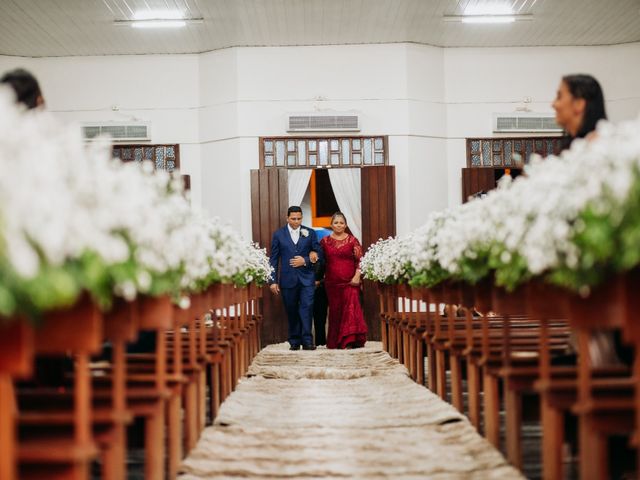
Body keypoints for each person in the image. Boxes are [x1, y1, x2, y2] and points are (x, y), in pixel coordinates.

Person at [269, 206, 321, 351]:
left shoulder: (310, 233)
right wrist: (272, 281)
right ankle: (294, 341)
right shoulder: (278, 234)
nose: (296, 221)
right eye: (293, 219)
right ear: (287, 218)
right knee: (291, 310)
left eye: (299, 218)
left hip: (307, 279)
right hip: (287, 279)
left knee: (307, 308)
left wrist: (306, 260)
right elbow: (273, 259)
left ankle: (308, 341)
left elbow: (318, 253)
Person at [320, 212, 367, 349]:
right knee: (335, 312)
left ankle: (350, 341)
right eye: (336, 223)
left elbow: (361, 260)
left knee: (350, 311)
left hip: (350, 283)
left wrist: (357, 276)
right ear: (331, 225)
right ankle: (336, 342)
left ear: (346, 225)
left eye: (341, 223)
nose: (339, 225)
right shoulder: (324, 241)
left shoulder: (353, 240)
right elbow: (320, 261)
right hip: (331, 284)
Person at [552, 73, 606, 151]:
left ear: (579, 104)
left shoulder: (599, 147)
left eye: (559, 97)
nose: (553, 104)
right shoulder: (572, 145)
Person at [312, 257, 328, 346]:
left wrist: (320, 282)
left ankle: (321, 342)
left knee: (321, 316)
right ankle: (305, 341)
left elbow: (330, 271)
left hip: (321, 288)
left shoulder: (323, 254)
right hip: (305, 286)